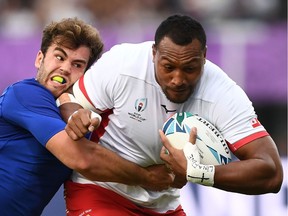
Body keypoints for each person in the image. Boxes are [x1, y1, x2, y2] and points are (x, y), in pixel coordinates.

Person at [60, 14, 283, 215]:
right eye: (168, 67)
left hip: (163, 204)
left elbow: (271, 173)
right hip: (100, 189)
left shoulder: (223, 94)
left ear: (204, 57)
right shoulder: (123, 64)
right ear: (154, 54)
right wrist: (76, 116)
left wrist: (198, 172)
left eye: (189, 69)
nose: (178, 79)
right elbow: (69, 100)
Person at [0, 17, 175, 216]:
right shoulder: (25, 94)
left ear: (86, 75)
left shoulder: (78, 112)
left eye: (77, 65)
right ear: (40, 59)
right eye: (59, 57)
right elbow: (82, 158)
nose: (65, 68)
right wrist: (148, 177)